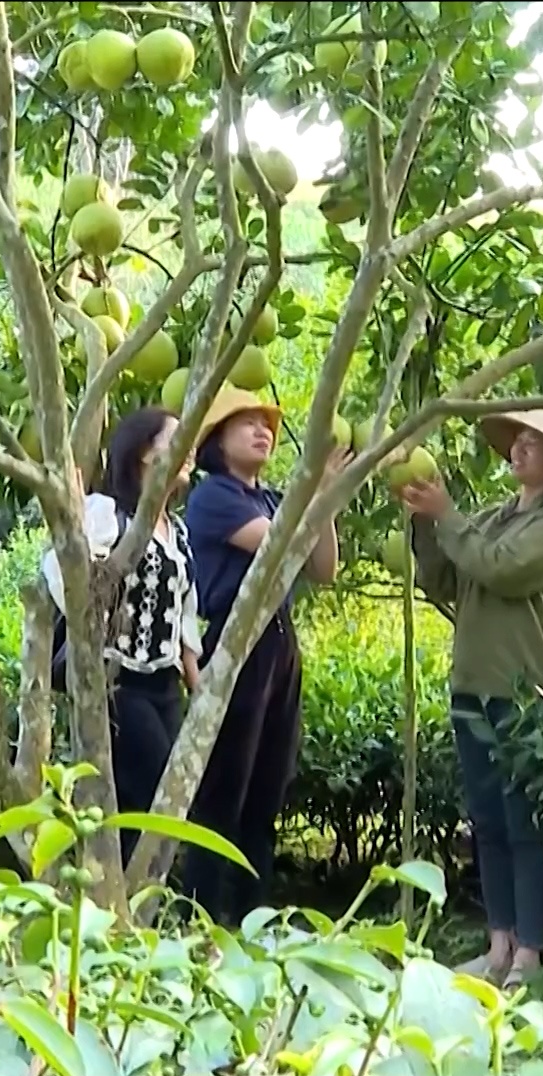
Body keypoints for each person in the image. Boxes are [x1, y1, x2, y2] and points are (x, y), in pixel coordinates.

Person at [397, 406, 543, 987]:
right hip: (473, 687)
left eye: (534, 444)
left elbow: (501, 570)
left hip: (525, 695)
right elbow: (446, 581)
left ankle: (530, 953)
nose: (518, 449)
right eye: (518, 440)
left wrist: (449, 518)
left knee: (524, 826)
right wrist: (425, 525)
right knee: (487, 823)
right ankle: (498, 945)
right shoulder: (492, 518)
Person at [180, 386, 349, 925]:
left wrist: (324, 501)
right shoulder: (214, 496)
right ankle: (203, 913)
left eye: (267, 424)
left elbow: (324, 568)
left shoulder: (278, 500)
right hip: (235, 639)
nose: (263, 431)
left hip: (280, 640)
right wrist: (318, 496)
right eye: (247, 423)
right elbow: (281, 547)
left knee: (267, 786)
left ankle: (251, 917)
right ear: (217, 441)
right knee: (225, 785)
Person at [40, 407, 202, 864]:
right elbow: (60, 572)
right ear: (143, 453)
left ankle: (137, 899)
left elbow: (184, 613)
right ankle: (115, 895)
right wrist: (93, 617)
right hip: (118, 679)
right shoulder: (107, 513)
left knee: (166, 796)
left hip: (164, 685)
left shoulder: (179, 533)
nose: (189, 450)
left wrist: (197, 680)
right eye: (175, 439)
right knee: (147, 788)